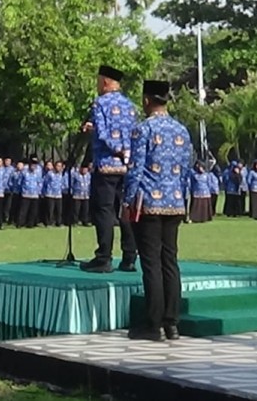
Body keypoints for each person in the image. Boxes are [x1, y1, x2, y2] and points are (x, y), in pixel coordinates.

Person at [124, 80, 194, 342]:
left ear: (146, 100)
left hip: (149, 204)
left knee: (151, 263)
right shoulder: (181, 130)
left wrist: (128, 201)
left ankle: (153, 325)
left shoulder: (143, 129)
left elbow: (135, 170)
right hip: (175, 202)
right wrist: (182, 199)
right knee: (170, 262)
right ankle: (172, 323)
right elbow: (186, 170)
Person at [80, 64, 139, 274]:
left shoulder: (100, 103)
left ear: (105, 82)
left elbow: (105, 135)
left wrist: (117, 150)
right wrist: (127, 154)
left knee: (103, 210)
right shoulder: (130, 106)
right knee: (125, 210)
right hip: (127, 167)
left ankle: (103, 257)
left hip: (106, 165)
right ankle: (129, 257)